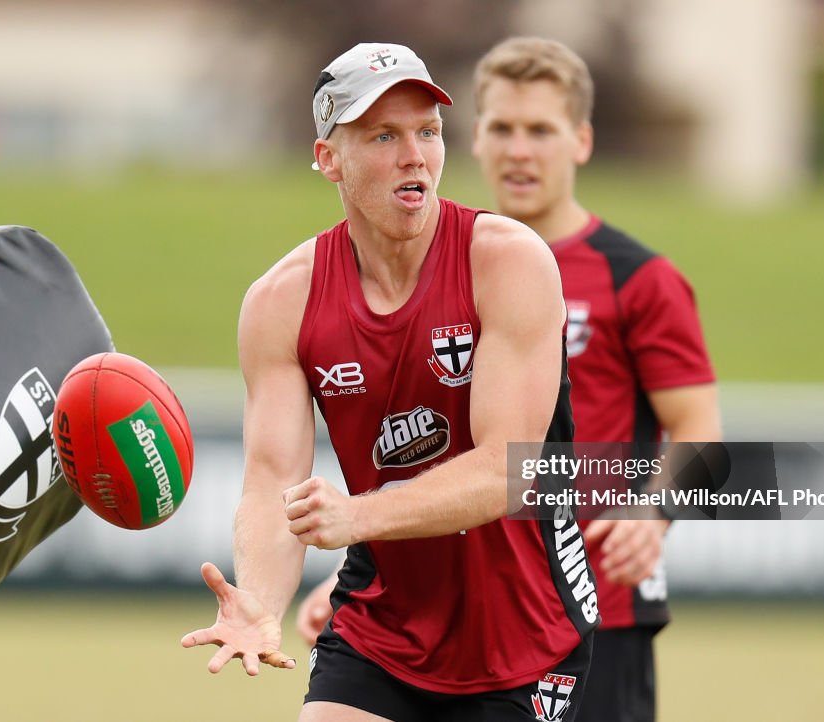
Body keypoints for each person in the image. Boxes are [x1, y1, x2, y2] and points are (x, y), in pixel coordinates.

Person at [297, 37, 722, 722]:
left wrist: (654, 511)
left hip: (596, 600)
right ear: (474, 138)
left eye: (541, 131)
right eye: (502, 128)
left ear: (580, 142)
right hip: (447, 607)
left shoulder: (637, 278)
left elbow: (703, 437)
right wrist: (355, 575)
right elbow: (418, 457)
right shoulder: (427, 266)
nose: (519, 150)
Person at [183, 42, 599, 722]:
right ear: (329, 160)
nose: (415, 155)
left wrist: (356, 517)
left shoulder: (508, 262)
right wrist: (259, 599)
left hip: (525, 629)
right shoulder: (281, 301)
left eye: (427, 133)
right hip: (381, 622)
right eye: (383, 136)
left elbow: (506, 472)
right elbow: (270, 483)